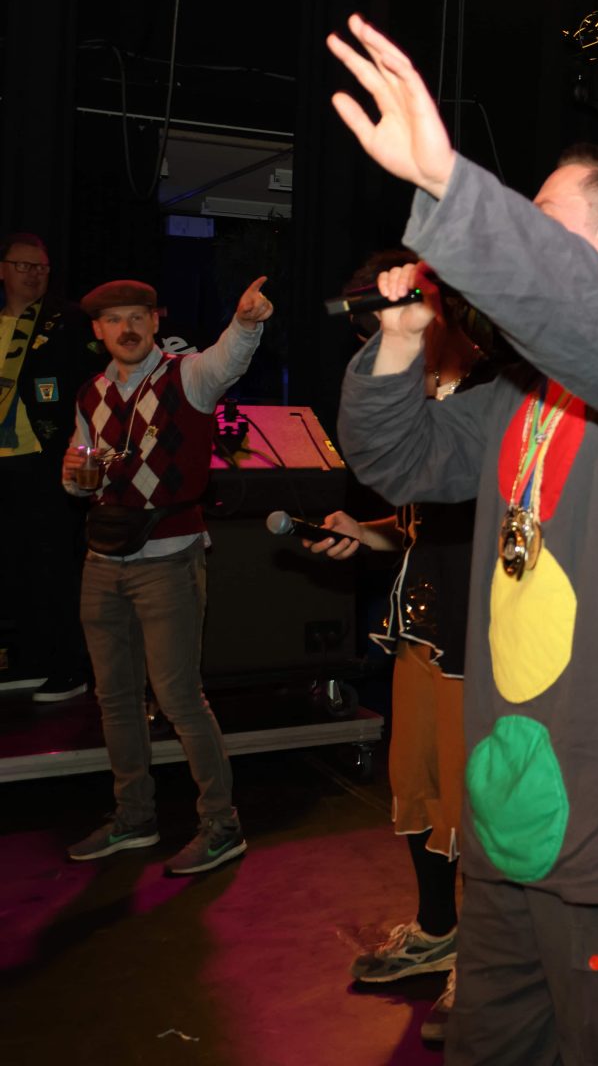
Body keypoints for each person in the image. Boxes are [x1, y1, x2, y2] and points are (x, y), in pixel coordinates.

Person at [328, 13, 598, 1064]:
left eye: (538, 216)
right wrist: (402, 340)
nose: (517, 234)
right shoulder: (521, 396)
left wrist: (449, 186)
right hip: (506, 813)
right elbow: (398, 460)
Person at [303, 251, 497, 1046]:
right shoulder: (419, 396)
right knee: (417, 787)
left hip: (480, 638)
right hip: (420, 626)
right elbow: (424, 526)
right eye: (369, 329)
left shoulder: (495, 393)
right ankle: (438, 927)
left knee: (475, 804)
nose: (379, 337)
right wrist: (368, 532)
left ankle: (485, 963)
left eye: (393, 321)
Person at [62, 273, 272, 875]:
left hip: (169, 557)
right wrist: (75, 477)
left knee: (179, 697)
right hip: (103, 560)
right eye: (113, 320)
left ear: (156, 322)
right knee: (115, 698)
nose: (126, 329)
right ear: (98, 330)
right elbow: (80, 473)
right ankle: (135, 817)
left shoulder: (187, 376)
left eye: (137, 317)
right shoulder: (91, 392)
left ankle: (221, 825)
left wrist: (246, 322)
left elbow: (229, 359)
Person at [0, 231, 95, 702]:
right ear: (2, 270)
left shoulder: (67, 320)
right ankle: (28, 661)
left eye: (41, 267)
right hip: (3, 463)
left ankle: (69, 667)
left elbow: (90, 384)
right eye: (23, 265)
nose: (34, 274)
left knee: (54, 565)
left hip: (46, 457)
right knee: (13, 565)